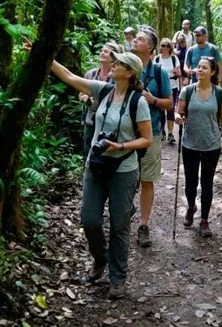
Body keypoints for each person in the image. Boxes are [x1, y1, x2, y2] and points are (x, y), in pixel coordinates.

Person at [50, 52, 152, 299]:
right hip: (95, 166)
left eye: (119, 63)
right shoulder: (103, 90)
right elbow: (69, 77)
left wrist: (120, 146)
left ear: (130, 72)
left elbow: (147, 139)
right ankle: (100, 257)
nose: (113, 65)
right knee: (90, 219)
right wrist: (45, 57)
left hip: (123, 171)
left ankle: (118, 278)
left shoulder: (138, 101)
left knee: (119, 225)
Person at [176, 56, 222, 237]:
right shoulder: (187, 91)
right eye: (198, 67)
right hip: (190, 143)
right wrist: (178, 118)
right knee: (191, 182)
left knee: (207, 182)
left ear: (213, 72)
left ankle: (204, 220)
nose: (199, 70)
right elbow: (179, 112)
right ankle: (191, 206)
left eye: (204, 68)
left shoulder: (218, 93)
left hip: (211, 144)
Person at [130, 26, 172, 247]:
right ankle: (126, 210)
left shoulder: (158, 72)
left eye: (140, 39)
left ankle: (143, 225)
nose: (135, 41)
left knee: (147, 179)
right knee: (125, 178)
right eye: (135, 38)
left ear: (150, 48)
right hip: (126, 132)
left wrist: (153, 100)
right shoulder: (126, 67)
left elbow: (169, 103)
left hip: (151, 132)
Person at [80, 42, 123, 160]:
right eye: (102, 51)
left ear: (114, 57)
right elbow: (81, 93)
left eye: (106, 51)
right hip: (91, 119)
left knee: (107, 151)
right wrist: (85, 98)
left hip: (110, 120)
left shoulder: (117, 76)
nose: (102, 53)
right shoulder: (91, 74)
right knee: (88, 150)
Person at [154, 38, 182, 144]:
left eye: (167, 46)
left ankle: (170, 133)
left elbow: (179, 73)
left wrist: (176, 73)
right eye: (163, 45)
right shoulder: (157, 59)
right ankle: (162, 132)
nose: (165, 48)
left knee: (170, 109)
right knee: (161, 109)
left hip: (172, 86)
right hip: (160, 87)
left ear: (170, 47)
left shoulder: (174, 58)